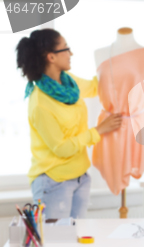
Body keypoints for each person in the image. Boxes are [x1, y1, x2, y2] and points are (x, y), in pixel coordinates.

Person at [17, 29, 122, 219]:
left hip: (80, 177)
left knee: (74, 239)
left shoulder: (68, 82)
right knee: (56, 241)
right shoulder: (40, 103)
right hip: (53, 181)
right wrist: (98, 131)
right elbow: (62, 148)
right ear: (51, 57)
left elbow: (94, 87)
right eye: (66, 49)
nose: (70, 53)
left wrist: (117, 63)